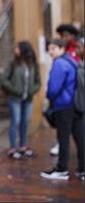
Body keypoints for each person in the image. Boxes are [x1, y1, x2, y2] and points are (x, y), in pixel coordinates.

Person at [40, 39, 84, 181]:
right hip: (76, 105)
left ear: (61, 49)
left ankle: (61, 169)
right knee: (80, 138)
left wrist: (49, 97)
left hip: (63, 105)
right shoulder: (72, 61)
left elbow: (53, 88)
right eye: (49, 49)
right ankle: (83, 169)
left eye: (53, 49)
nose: (50, 52)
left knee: (63, 138)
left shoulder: (59, 63)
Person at [1, 41, 41, 159]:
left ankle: (23, 146)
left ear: (24, 49)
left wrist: (33, 90)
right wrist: (14, 89)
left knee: (25, 122)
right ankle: (13, 148)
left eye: (17, 48)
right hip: (15, 98)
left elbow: (38, 81)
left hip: (28, 99)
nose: (15, 50)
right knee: (15, 122)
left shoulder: (33, 63)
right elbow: (4, 79)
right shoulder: (13, 63)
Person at [49, 24, 82, 156]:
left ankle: (64, 166)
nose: (64, 38)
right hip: (68, 99)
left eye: (66, 35)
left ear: (73, 36)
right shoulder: (63, 54)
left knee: (73, 131)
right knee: (70, 130)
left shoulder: (75, 51)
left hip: (70, 98)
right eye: (62, 35)